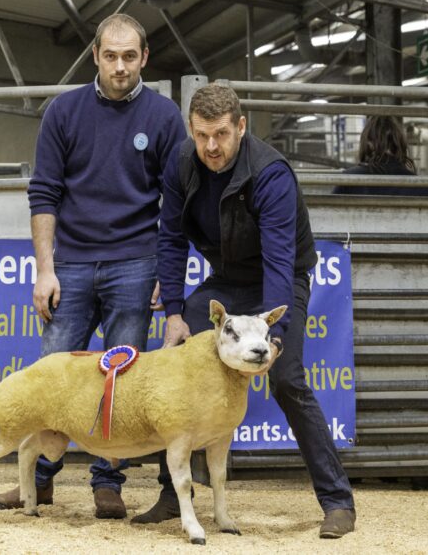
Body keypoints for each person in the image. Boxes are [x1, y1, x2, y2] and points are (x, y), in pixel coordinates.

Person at [133, 84, 356, 538]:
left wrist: (273, 336)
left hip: (280, 278)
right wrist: (174, 311)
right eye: (201, 136)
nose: (210, 147)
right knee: (179, 368)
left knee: (288, 378)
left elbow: (278, 260)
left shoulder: (270, 173)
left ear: (240, 127)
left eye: (220, 135)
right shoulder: (181, 163)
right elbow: (171, 241)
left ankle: (337, 502)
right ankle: (173, 493)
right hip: (225, 279)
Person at [0, 14, 187, 519]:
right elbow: (44, 193)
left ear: (144, 58)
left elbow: (175, 202)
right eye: (110, 55)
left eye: (129, 56)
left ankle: (108, 483)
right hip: (70, 266)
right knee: (52, 379)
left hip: (135, 265)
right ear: (96, 56)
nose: (119, 66)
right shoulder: (64, 112)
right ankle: (37, 481)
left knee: (118, 382)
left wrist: (167, 272)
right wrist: (44, 269)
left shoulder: (164, 117)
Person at [333, 115, 428, 196]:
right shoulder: (420, 186)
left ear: (369, 143)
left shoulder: (348, 180)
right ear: (399, 143)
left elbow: (329, 217)